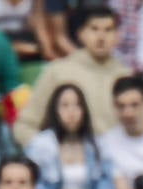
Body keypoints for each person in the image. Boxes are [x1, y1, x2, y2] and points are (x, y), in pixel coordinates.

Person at [14, 5, 131, 146]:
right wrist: (49, 151)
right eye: (94, 29)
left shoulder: (126, 76)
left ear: (117, 36)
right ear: (81, 34)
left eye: (108, 30)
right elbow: (25, 126)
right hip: (67, 159)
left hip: (117, 159)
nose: (101, 37)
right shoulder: (58, 71)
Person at [24, 83, 117, 189]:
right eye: (65, 105)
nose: (71, 112)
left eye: (77, 105)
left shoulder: (97, 146)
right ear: (54, 110)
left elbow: (106, 185)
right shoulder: (40, 145)